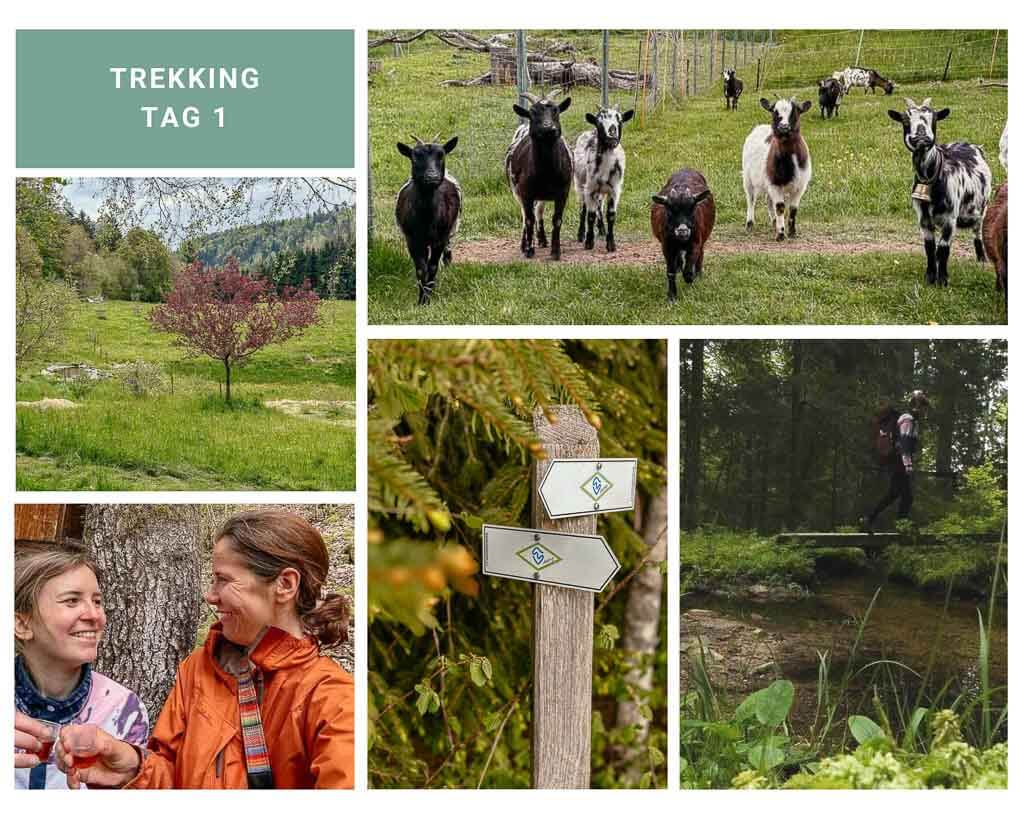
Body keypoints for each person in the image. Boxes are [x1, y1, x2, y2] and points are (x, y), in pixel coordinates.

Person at [57, 510, 354, 789]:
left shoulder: (332, 697)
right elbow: (171, 775)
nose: (210, 595)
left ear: (285, 585)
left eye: (223, 580)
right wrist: (133, 768)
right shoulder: (198, 669)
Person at [14, 540, 149, 789]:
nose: (94, 615)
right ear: (22, 624)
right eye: (72, 601)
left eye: (97, 601)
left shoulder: (123, 709)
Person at [864, 390, 930, 533]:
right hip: (898, 461)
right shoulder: (908, 419)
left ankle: (869, 519)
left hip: (896, 460)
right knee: (907, 497)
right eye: (924, 407)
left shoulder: (911, 420)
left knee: (894, 493)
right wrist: (907, 465)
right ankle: (901, 526)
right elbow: (904, 443)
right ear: (917, 406)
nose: (925, 412)